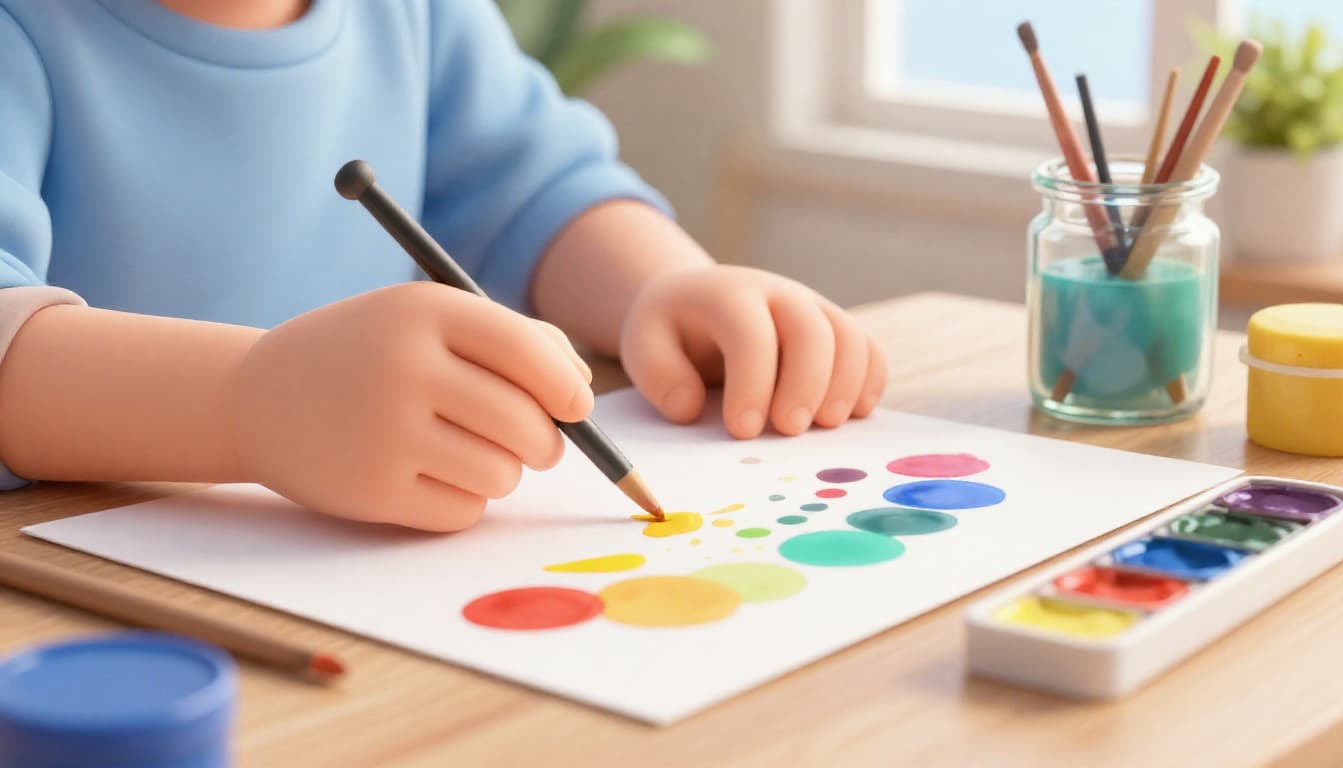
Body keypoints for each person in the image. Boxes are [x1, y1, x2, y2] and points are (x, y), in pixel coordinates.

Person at [0, 0, 887, 530]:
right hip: (107, 613)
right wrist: (249, 406)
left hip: (361, 579)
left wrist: (664, 284)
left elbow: (534, 185)